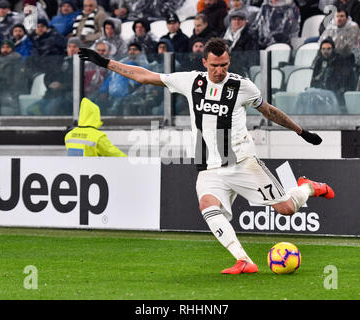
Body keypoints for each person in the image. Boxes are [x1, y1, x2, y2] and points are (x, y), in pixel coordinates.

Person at [78, 37, 335, 274]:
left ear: (229, 61)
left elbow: (269, 111)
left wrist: (301, 132)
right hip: (209, 168)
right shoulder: (192, 81)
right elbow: (145, 77)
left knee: (286, 209)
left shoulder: (242, 86)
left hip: (243, 163)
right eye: (214, 65)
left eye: (223, 64)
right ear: (205, 62)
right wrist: (104, 62)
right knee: (207, 206)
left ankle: (308, 188)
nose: (219, 70)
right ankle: (244, 260)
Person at [310, 37, 357, 110]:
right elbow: (314, 79)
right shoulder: (318, 61)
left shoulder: (340, 60)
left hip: (333, 93)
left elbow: (343, 82)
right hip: (318, 92)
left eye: (328, 49)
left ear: (333, 49)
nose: (326, 51)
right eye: (323, 49)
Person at [221, 9, 259, 77]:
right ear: (230, 21)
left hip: (241, 70)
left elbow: (251, 57)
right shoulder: (224, 35)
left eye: (240, 19)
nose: (237, 22)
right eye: (234, 19)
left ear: (245, 21)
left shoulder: (250, 36)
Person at [0, 39, 23, 115]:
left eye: (8, 47)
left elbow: (18, 78)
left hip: (12, 91)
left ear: (12, 48)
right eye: (3, 47)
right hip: (0, 90)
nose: (5, 49)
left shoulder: (16, 60)